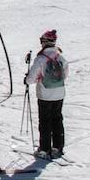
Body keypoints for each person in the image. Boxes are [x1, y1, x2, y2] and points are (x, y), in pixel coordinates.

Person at [24, 29, 68, 158]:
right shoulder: (60, 56)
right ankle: (58, 147)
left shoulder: (41, 58)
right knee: (57, 119)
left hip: (45, 94)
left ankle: (44, 149)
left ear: (44, 42)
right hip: (59, 93)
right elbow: (64, 75)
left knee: (45, 121)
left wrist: (27, 79)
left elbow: (31, 79)